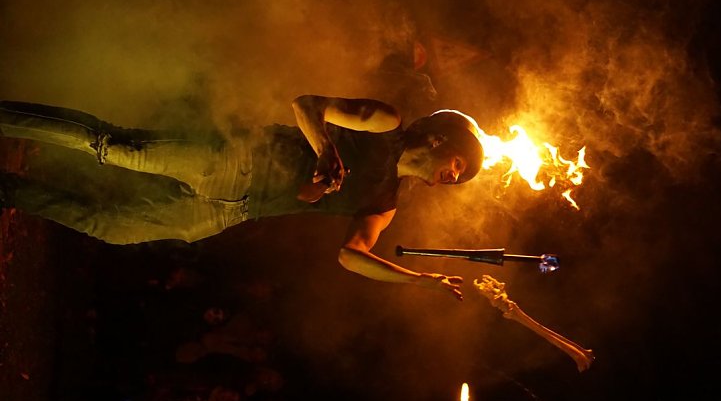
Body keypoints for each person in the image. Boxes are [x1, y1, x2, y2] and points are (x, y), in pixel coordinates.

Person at [0, 96, 484, 299]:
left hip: (236, 210)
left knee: (110, 227)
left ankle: (7, 189)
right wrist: (326, 149)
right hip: (241, 158)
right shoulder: (386, 123)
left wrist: (420, 280)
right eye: (459, 167)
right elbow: (306, 105)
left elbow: (351, 257)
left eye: (458, 180)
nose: (452, 177)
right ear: (440, 140)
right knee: (113, 146)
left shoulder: (386, 203)